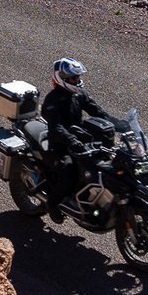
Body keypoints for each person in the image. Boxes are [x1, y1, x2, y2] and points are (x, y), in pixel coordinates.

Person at [38, 57, 110, 221]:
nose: (76, 80)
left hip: (80, 141)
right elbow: (56, 127)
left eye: (77, 77)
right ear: (61, 78)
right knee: (69, 171)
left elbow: (97, 111)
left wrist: (120, 124)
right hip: (60, 145)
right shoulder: (53, 100)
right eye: (72, 78)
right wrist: (72, 140)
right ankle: (52, 203)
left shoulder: (79, 94)